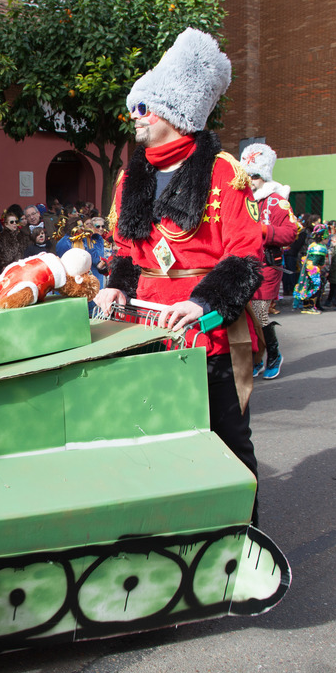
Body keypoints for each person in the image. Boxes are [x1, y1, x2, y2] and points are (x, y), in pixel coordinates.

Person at [91, 28, 264, 524]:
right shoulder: (131, 175)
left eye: (142, 106)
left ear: (173, 111)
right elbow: (128, 250)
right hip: (147, 331)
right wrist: (116, 285)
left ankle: (242, 536)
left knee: (228, 441)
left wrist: (204, 303)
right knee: (157, 439)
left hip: (207, 335)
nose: (134, 115)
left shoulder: (223, 171)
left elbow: (246, 257)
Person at [240, 143, 298, 379]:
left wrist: (263, 229)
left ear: (263, 175)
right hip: (244, 266)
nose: (250, 180)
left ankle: (273, 354)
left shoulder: (277, 201)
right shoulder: (243, 199)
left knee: (260, 314)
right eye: (247, 175)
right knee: (246, 317)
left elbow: (290, 233)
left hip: (267, 266)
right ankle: (255, 357)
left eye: (254, 176)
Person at [292, 222, 329, 314]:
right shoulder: (320, 248)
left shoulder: (312, 245)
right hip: (313, 270)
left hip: (307, 269)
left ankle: (306, 306)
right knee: (314, 288)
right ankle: (311, 306)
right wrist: (322, 266)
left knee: (307, 287)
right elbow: (319, 261)